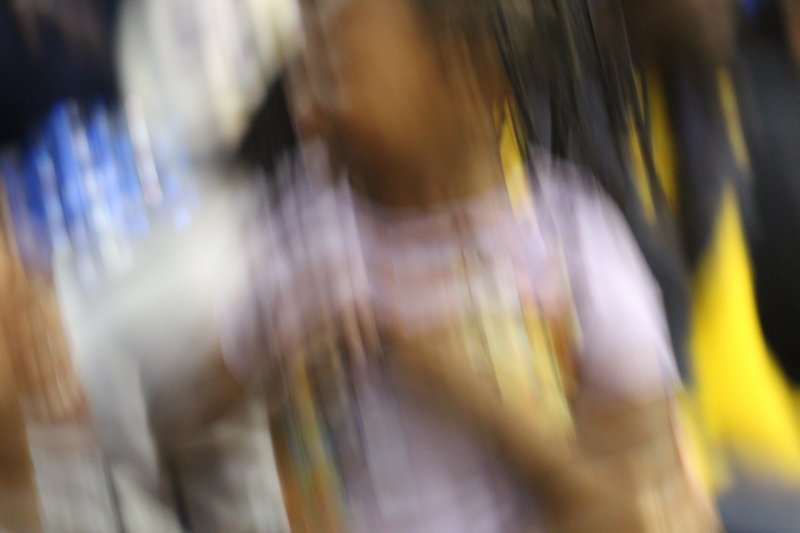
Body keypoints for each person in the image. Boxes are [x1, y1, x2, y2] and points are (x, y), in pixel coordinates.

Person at [149, 0, 717, 531]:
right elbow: (175, 433)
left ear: (473, 73)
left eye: (342, 65)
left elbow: (648, 514)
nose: (308, 107)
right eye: (307, 63)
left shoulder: (569, 251)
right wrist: (271, 377)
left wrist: (472, 397)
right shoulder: (307, 247)